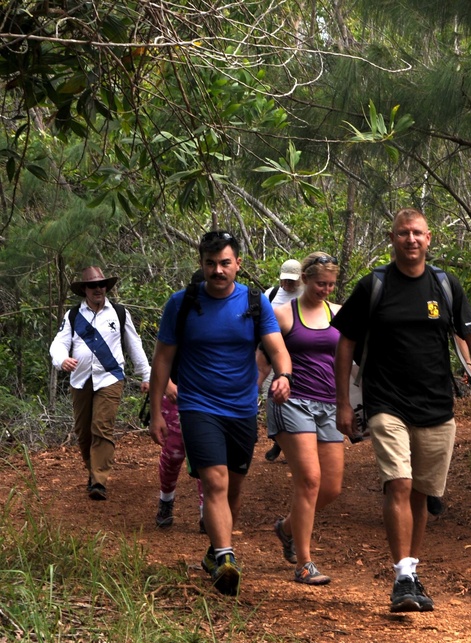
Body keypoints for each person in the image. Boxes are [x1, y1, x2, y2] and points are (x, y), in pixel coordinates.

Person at [333, 207, 471, 613]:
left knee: (422, 493)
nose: (411, 240)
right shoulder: (374, 285)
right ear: (392, 238)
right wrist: (342, 403)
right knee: (399, 483)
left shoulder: (444, 285)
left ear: (429, 239)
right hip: (386, 401)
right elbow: (346, 344)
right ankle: (402, 575)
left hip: (436, 404)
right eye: (403, 233)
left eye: (418, 233)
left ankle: (411, 569)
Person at [148, 231, 293, 597]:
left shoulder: (255, 302)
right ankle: (227, 557)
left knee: (233, 487)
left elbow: (277, 348)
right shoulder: (180, 304)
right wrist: (156, 413)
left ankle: (214, 551)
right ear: (201, 264)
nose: (217, 270)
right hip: (198, 406)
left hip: (241, 409)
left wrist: (284, 376)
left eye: (225, 263)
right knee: (214, 482)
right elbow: (163, 359)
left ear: (237, 264)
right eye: (210, 264)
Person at [267, 252, 345, 585]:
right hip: (292, 402)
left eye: (330, 285)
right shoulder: (282, 315)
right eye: (319, 284)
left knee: (330, 488)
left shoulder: (339, 314)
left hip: (329, 405)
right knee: (309, 480)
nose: (325, 290)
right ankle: (304, 562)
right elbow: (261, 358)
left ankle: (285, 529)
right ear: (304, 280)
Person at [49, 265, 151, 501]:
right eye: (93, 285)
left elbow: (135, 345)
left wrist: (145, 375)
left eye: (101, 284)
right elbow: (59, 343)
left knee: (101, 427)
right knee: (83, 432)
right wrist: (62, 360)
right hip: (80, 379)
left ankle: (99, 481)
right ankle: (92, 470)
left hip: (110, 377)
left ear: (106, 286)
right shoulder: (73, 316)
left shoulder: (119, 313)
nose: (98, 289)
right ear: (84, 289)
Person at [154, 271, 205, 531]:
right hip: (176, 394)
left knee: (206, 454)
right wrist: (168, 385)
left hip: (208, 397)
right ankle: (166, 500)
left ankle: (206, 511)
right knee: (174, 453)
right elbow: (162, 356)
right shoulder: (179, 312)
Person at [260, 258, 304, 462]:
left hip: (298, 355)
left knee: (294, 398)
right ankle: (278, 439)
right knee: (273, 398)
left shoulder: (305, 294)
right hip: (271, 354)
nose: (288, 284)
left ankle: (287, 444)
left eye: (292, 280)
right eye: (285, 280)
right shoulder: (271, 294)